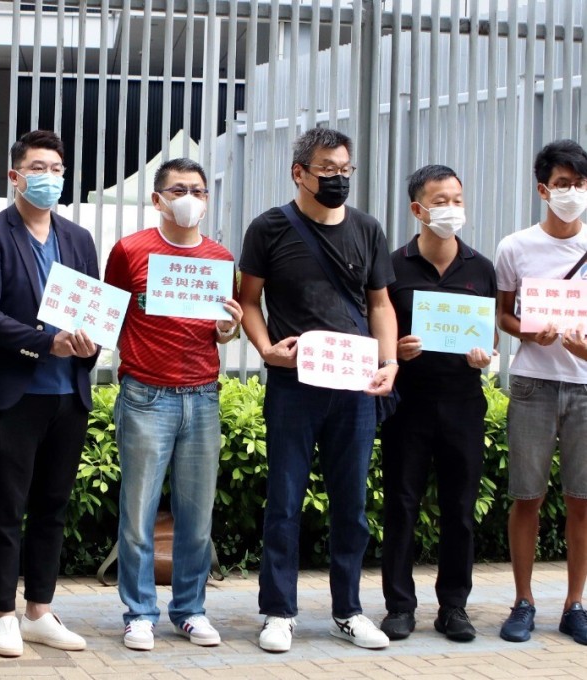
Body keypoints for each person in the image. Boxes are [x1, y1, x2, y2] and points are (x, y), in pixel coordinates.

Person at [239, 127, 397, 653]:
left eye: (345, 169)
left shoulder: (368, 229)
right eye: (326, 169)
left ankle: (348, 610)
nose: (337, 178)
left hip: (353, 387)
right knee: (284, 500)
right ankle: (278, 612)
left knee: (351, 503)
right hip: (294, 384)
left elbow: (380, 304)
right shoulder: (269, 229)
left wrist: (389, 361)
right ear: (299, 172)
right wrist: (264, 349)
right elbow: (249, 301)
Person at [0, 130, 99, 657]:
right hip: (14, 394)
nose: (50, 177)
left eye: (57, 169)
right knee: (6, 505)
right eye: (38, 167)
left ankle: (40, 610)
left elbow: (93, 309)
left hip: (69, 394)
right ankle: (2, 614)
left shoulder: (78, 238)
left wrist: (86, 345)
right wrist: (49, 342)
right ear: (15, 175)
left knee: (53, 505)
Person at [104, 157, 242, 652]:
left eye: (199, 191)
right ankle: (139, 612)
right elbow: (110, 313)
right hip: (145, 395)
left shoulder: (222, 257)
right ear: (157, 198)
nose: (190, 198)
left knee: (196, 515)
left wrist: (230, 328)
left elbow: (221, 329)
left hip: (202, 395)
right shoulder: (129, 251)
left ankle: (189, 609)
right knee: (137, 513)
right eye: (179, 188)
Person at [378, 165, 496, 643]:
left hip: (463, 402)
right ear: (417, 209)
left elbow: (487, 334)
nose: (452, 209)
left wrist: (484, 356)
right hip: (409, 404)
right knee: (401, 505)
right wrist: (396, 352)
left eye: (457, 199)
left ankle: (454, 607)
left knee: (459, 508)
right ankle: (399, 607)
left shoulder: (481, 268)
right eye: (440, 201)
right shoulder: (393, 266)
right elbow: (378, 327)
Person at [495, 139, 587, 645]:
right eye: (562, 184)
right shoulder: (516, 246)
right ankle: (523, 600)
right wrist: (529, 333)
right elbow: (503, 313)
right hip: (532, 383)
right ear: (542, 190)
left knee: (583, 500)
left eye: (579, 184)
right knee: (526, 496)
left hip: (585, 386)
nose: (571, 192)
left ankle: (576, 603)